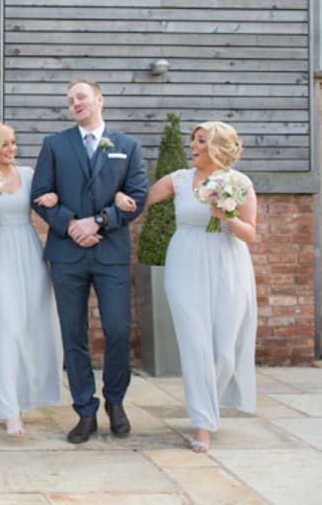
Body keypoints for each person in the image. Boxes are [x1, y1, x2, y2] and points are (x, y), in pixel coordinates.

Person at [116, 121, 257, 453]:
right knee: (195, 346)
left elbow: (250, 233)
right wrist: (119, 199)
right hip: (184, 265)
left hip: (228, 266)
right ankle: (203, 422)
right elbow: (140, 202)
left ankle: (211, 401)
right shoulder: (178, 179)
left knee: (223, 348)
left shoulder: (239, 183)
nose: (192, 146)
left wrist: (226, 215)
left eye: (200, 141)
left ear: (218, 148)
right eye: (192, 140)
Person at [30, 79, 148, 444]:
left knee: (116, 330)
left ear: (99, 100)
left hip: (110, 252)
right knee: (73, 334)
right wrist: (69, 225)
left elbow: (139, 196)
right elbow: (39, 196)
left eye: (81, 96)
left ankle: (115, 401)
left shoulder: (127, 146)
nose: (75, 103)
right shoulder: (54, 145)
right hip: (67, 254)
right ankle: (85, 409)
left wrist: (98, 221)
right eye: (69, 100)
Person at [0, 122, 63, 436]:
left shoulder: (27, 175)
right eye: (4, 144)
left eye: (13, 143)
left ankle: (34, 394)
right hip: (0, 250)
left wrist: (53, 198)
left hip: (29, 249)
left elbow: (49, 199)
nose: (11, 149)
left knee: (36, 324)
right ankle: (10, 410)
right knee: (6, 328)